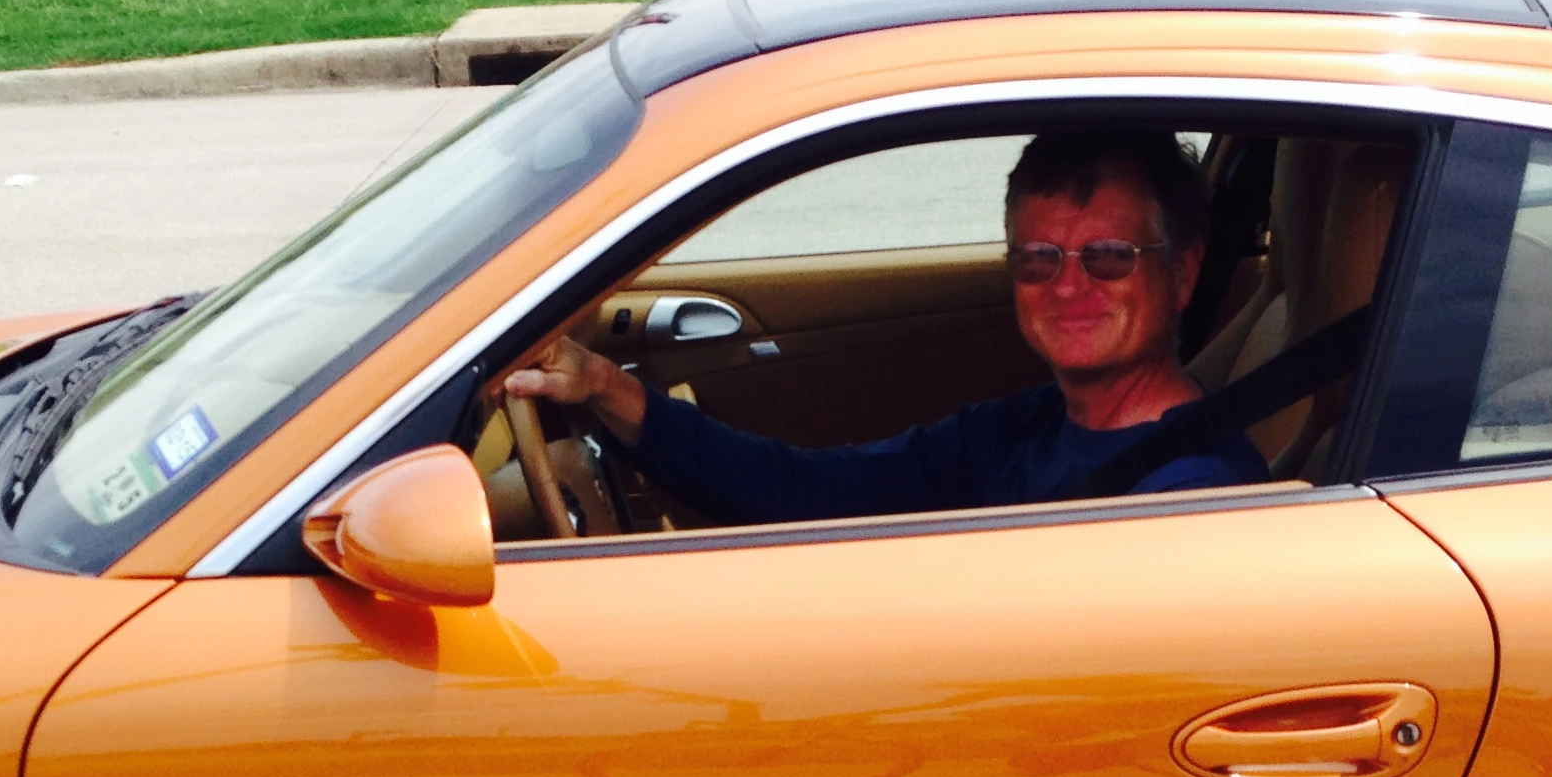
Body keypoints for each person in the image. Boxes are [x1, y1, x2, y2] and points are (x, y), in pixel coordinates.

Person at [501, 129, 1273, 528]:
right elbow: (812, 490)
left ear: (1182, 273)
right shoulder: (1022, 428)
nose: (1068, 286)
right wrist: (605, 387)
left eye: (1107, 256)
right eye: (1039, 258)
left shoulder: (1189, 498)